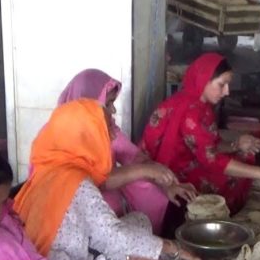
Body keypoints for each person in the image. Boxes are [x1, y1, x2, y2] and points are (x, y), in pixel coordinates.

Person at [13, 96, 203, 260]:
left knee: (139, 220)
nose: (110, 137)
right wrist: (178, 250)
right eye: (104, 131)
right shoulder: (75, 183)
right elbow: (114, 237)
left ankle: (137, 259)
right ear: (86, 137)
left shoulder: (50, 170)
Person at [141, 52, 260, 214]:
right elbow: (212, 160)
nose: (227, 92)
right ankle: (221, 213)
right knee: (233, 177)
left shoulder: (196, 102)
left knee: (245, 156)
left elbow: (207, 145)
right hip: (172, 173)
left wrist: (236, 144)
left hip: (185, 160)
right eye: (222, 85)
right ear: (203, 80)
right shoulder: (191, 113)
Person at [57, 69, 197, 235]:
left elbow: (133, 156)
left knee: (148, 187)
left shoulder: (108, 128)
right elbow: (91, 182)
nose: (114, 111)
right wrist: (144, 170)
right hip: (73, 212)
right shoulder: (61, 138)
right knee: (127, 190)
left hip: (106, 199)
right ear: (87, 103)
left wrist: (167, 185)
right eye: (108, 104)